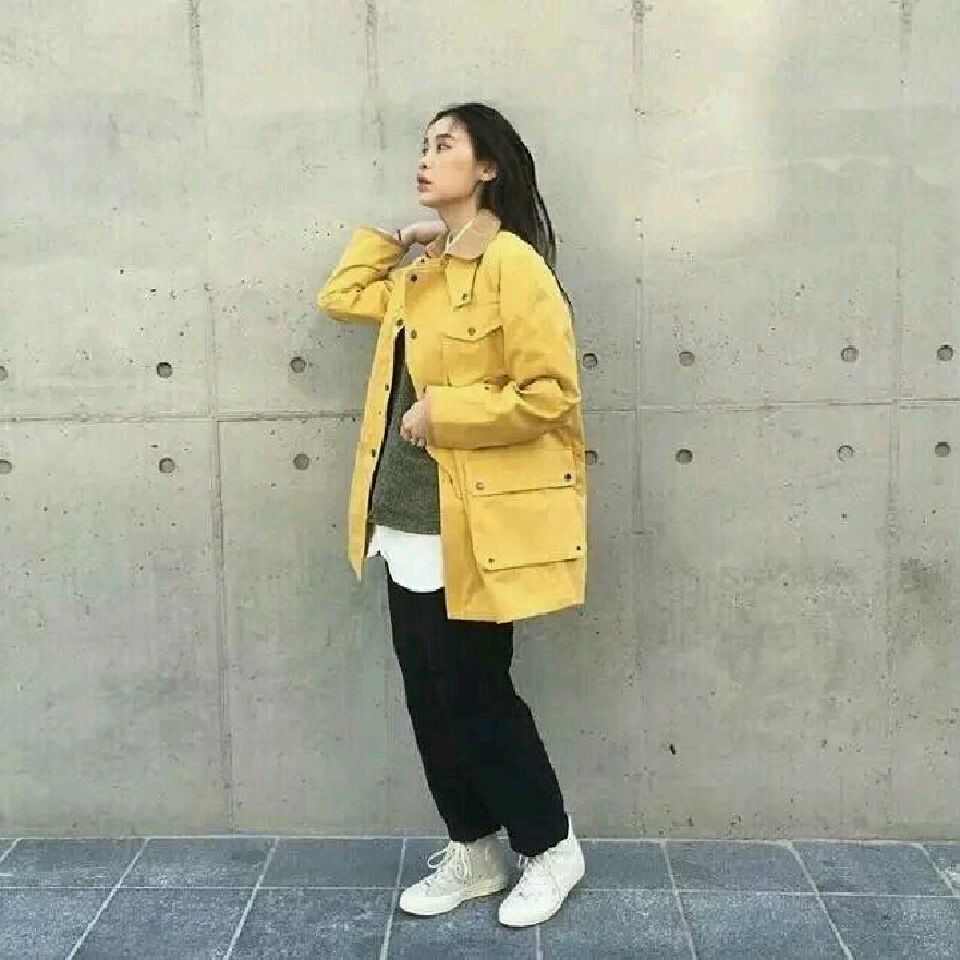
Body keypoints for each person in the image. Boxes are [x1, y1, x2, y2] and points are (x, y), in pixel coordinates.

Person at [316, 102, 587, 928]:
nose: (426, 158)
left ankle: (550, 847)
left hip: (470, 523)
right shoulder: (421, 272)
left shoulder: (511, 265)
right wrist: (400, 239)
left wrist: (447, 413)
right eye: (424, 145)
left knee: (478, 695)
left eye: (445, 146)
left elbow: (550, 394)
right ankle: (474, 849)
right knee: (428, 698)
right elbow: (340, 296)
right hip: (401, 516)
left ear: (487, 167)